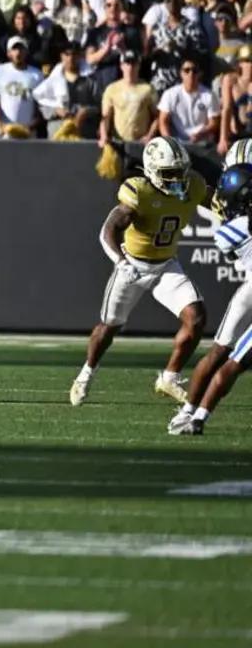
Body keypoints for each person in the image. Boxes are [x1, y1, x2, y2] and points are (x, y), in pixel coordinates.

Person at [69, 136, 207, 406]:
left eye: (182, 171)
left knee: (197, 318)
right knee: (109, 327)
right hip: (133, 264)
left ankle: (169, 377)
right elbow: (108, 231)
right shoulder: (139, 192)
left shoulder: (195, 186)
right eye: (171, 173)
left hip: (166, 265)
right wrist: (121, 263)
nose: (179, 178)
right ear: (154, 172)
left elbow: (217, 204)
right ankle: (86, 374)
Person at [168, 163, 252, 435]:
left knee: (221, 353)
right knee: (231, 360)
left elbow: (228, 246)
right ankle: (194, 415)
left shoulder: (231, 230)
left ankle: (189, 413)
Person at [99, 51, 158, 146]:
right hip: (118, 142)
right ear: (121, 66)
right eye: (127, 63)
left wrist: (149, 136)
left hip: (140, 143)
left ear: (139, 66)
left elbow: (157, 117)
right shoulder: (112, 89)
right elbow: (106, 117)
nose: (130, 67)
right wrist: (103, 135)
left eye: (134, 64)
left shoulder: (148, 89)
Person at [157, 60, 219, 145]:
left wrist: (201, 134)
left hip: (202, 143)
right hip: (177, 142)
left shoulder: (209, 95)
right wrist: (169, 142)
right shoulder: (170, 94)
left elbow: (214, 123)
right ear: (181, 73)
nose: (191, 74)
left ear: (200, 74)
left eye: (195, 71)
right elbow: (163, 121)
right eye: (187, 70)